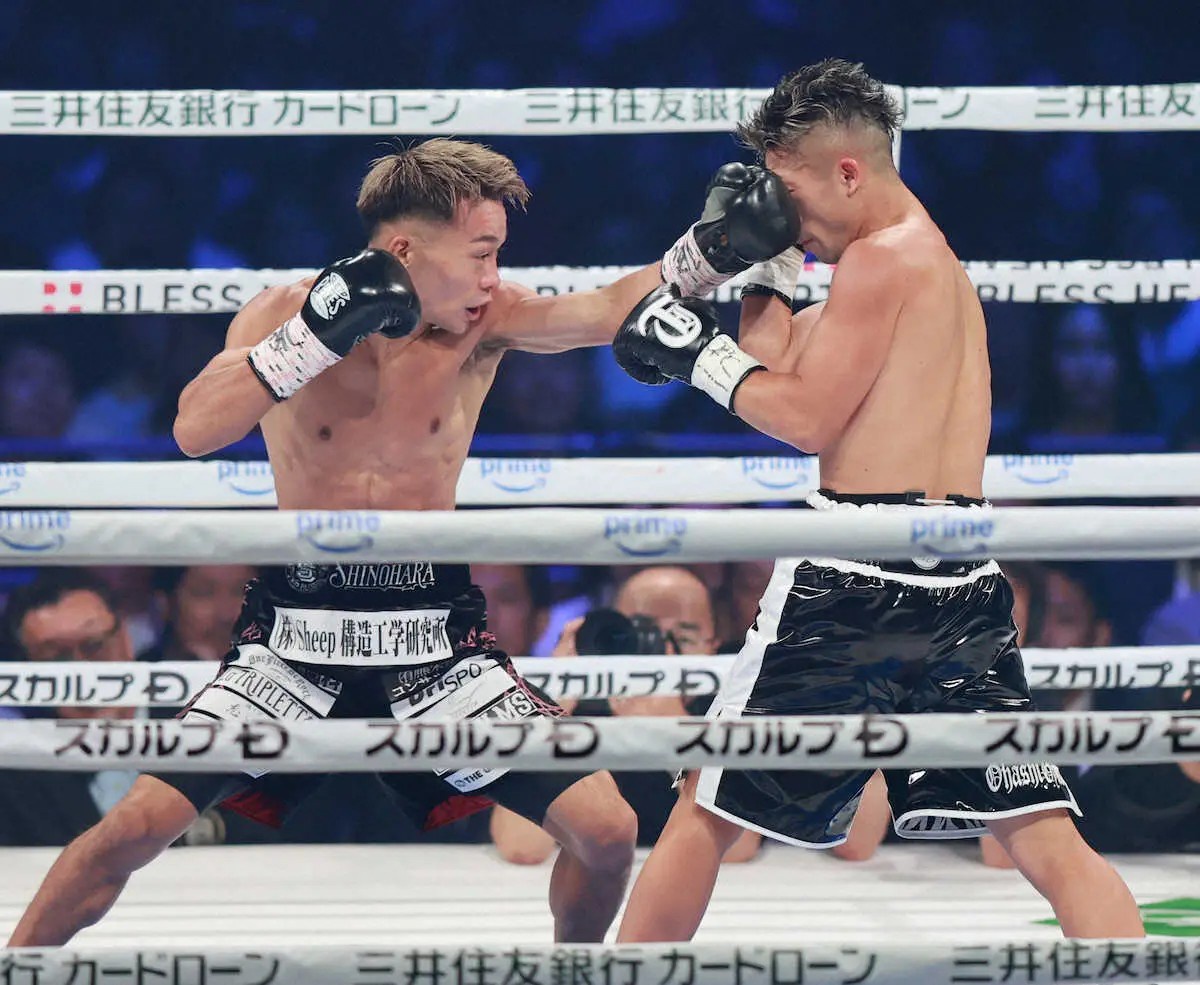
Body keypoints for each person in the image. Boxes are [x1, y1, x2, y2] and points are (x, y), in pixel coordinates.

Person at [9, 137, 796, 947]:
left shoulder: (486, 322)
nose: (493, 275)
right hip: (294, 637)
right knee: (133, 826)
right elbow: (194, 428)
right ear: (406, 250)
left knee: (605, 829)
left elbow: (607, 307)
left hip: (436, 640)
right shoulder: (285, 313)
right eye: (481, 253)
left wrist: (713, 250)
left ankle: (573, 971)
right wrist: (311, 337)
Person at [608, 60, 1144, 941]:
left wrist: (693, 355)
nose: (788, 214)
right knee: (1045, 834)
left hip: (854, 576)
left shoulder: (879, 262)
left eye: (790, 197)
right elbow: (777, 369)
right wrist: (771, 261)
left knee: (707, 803)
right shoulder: (929, 265)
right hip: (961, 578)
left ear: (848, 172)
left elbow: (802, 418)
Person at [490, 566, 760, 864]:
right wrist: (551, 709)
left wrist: (676, 734)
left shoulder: (730, 710)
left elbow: (739, 849)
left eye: (683, 638)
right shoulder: (580, 709)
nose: (661, 654)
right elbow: (521, 846)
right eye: (643, 632)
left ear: (712, 647)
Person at [0, 571, 137, 845]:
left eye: (94, 646)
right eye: (56, 657)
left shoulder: (202, 724)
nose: (82, 673)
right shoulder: (14, 776)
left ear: (125, 638)